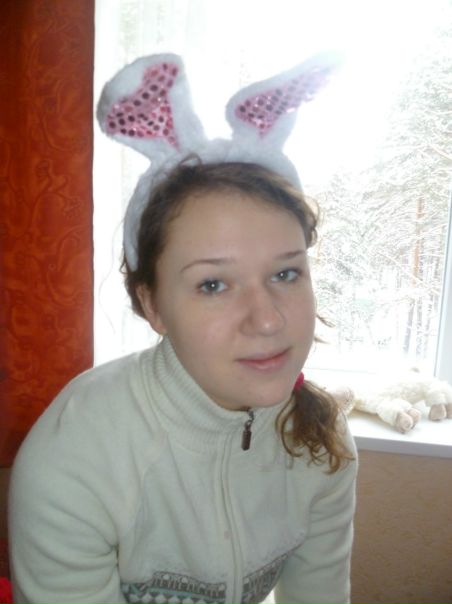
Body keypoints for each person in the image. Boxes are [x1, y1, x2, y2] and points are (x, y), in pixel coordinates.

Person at [9, 53, 357, 604]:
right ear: (152, 306)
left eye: (286, 273)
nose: (268, 319)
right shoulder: (76, 458)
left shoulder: (321, 439)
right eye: (213, 284)